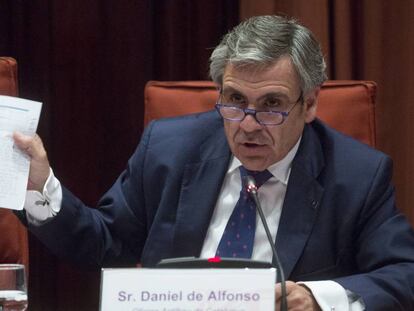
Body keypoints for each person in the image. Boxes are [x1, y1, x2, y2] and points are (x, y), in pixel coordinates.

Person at [13, 15, 414, 310]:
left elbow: (404, 275)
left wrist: (315, 297)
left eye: (271, 105)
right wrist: (41, 187)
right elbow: (103, 244)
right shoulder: (169, 148)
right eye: (236, 101)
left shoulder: (359, 175)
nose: (249, 126)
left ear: (309, 104)